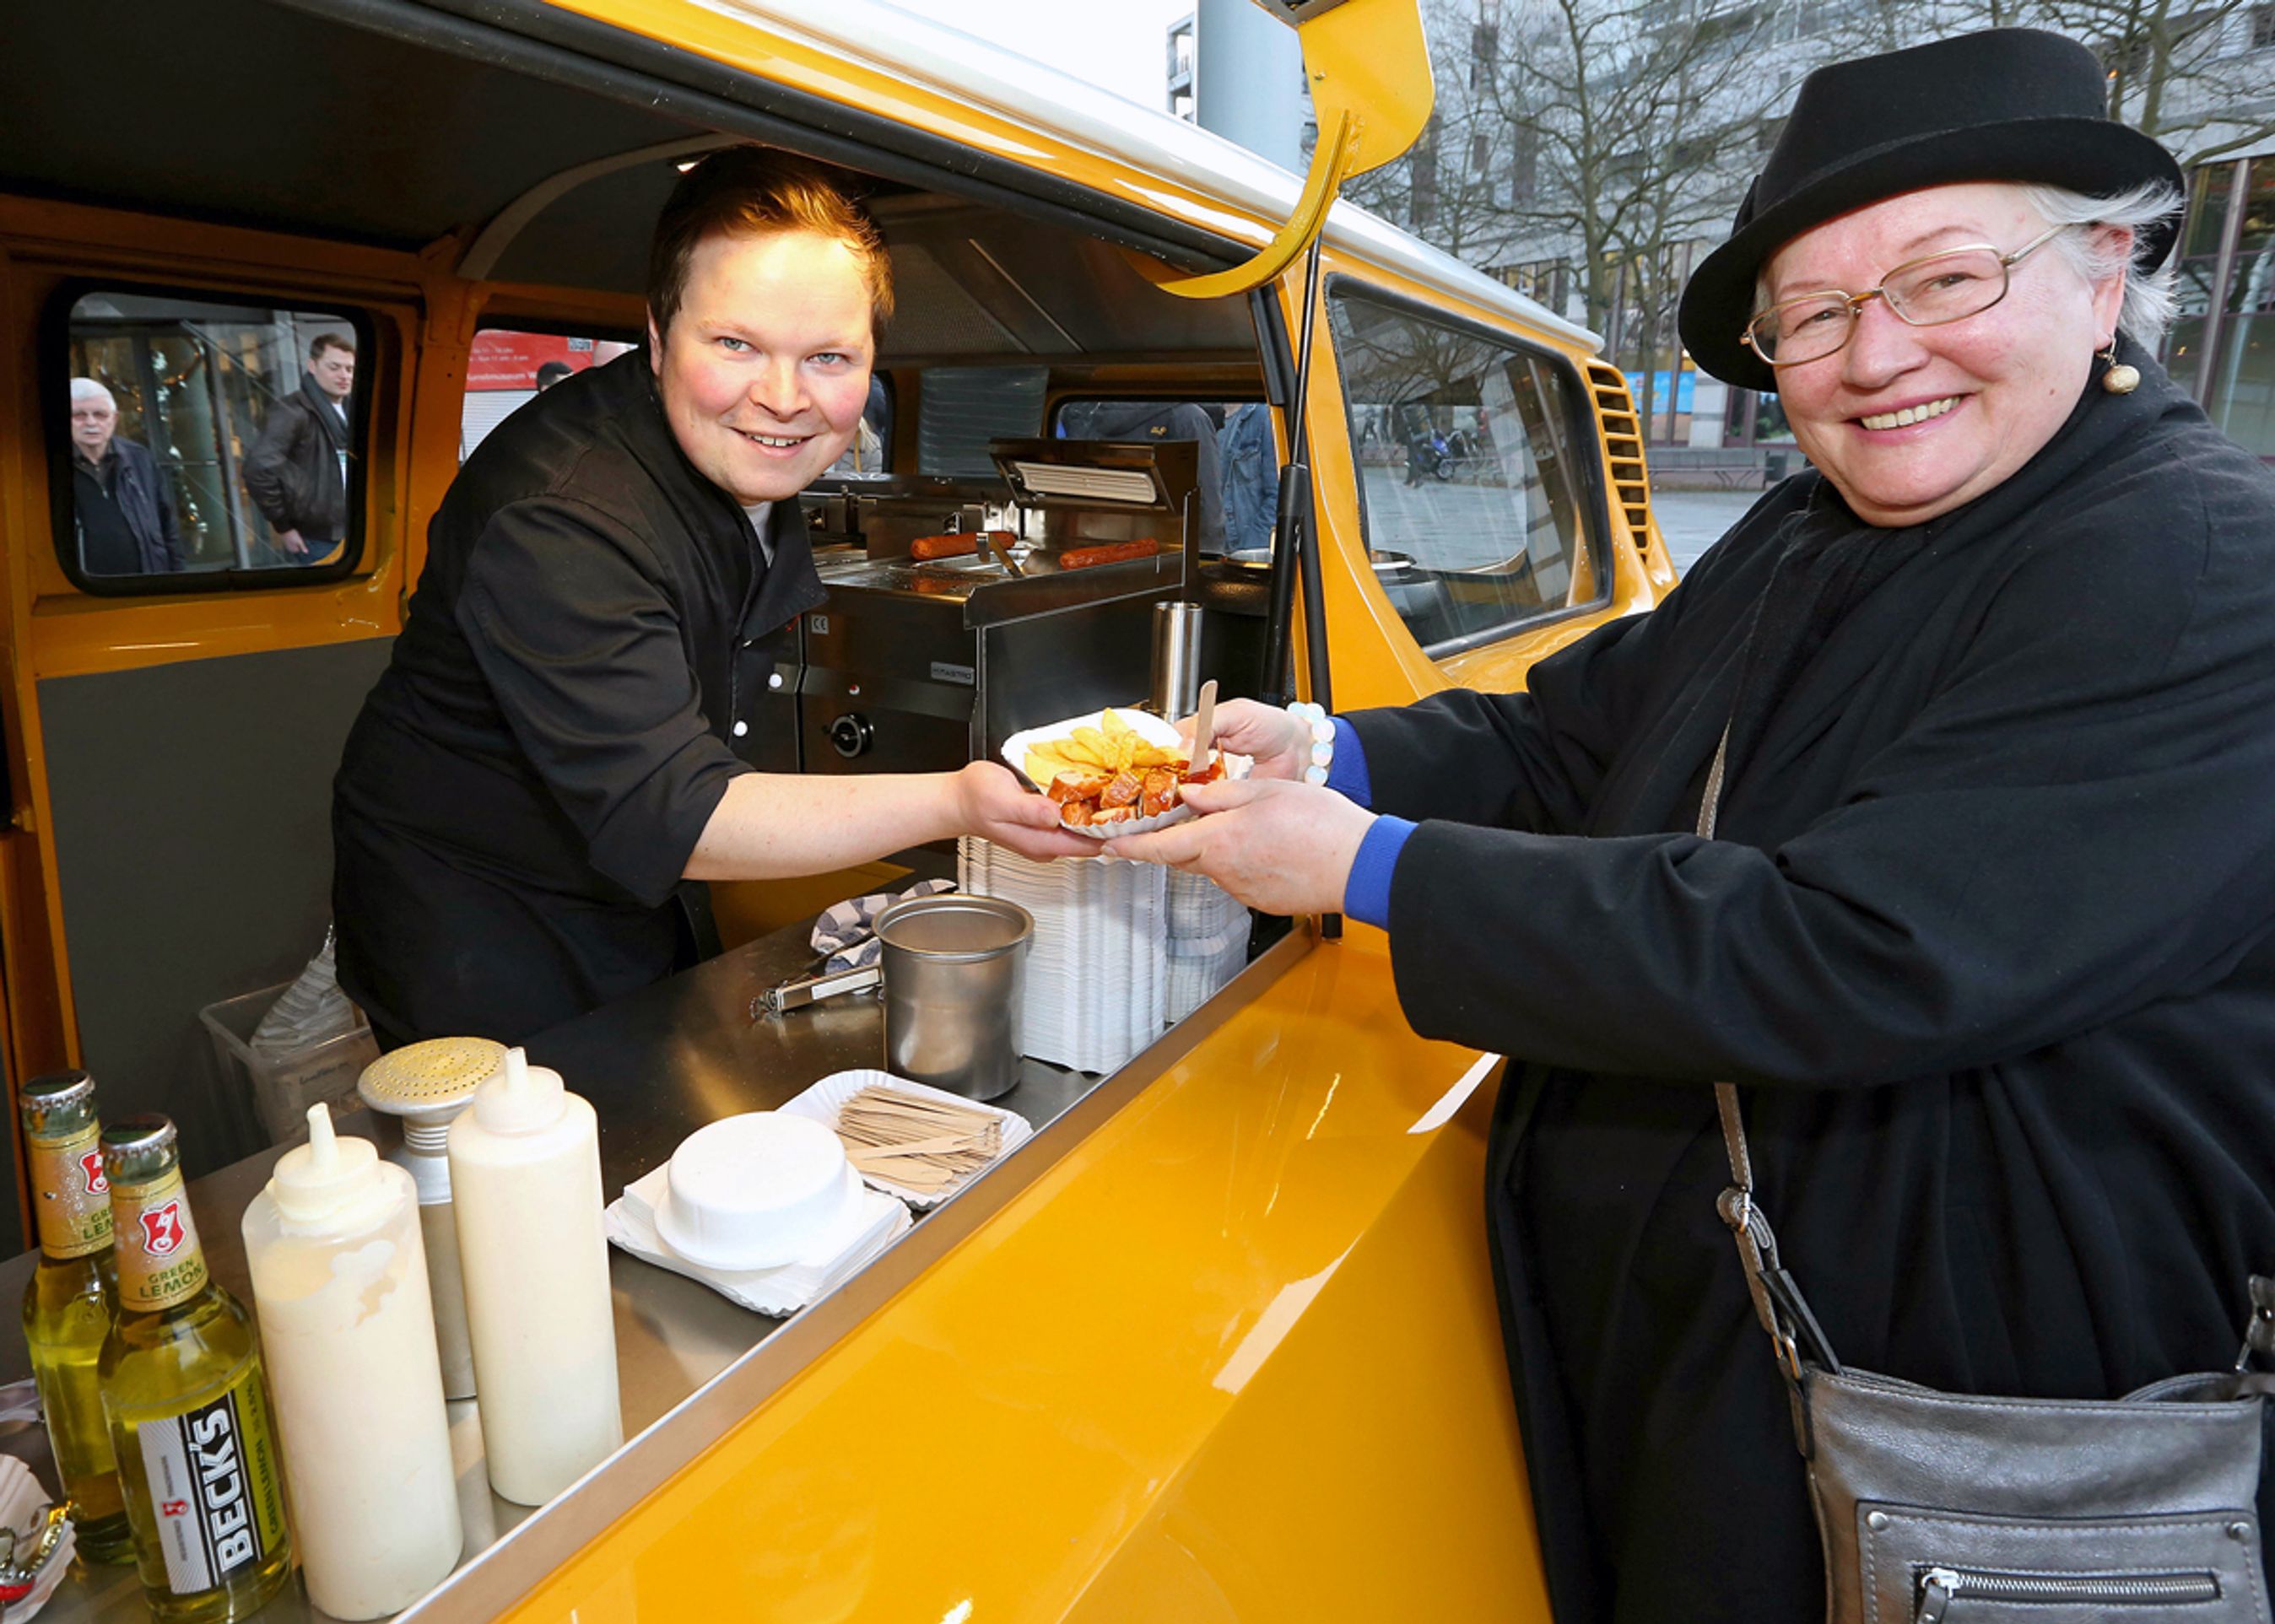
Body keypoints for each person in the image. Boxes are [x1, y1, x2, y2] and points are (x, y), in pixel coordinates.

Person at [1106, 30, 2275, 1621]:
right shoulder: (1811, 527)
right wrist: (1324, 748)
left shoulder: (2190, 567)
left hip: (1961, 1379)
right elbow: (1574, 736)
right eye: (1815, 313)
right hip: (1732, 1337)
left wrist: (1359, 866)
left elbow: (1859, 949)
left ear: (2102, 268)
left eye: (1942, 281)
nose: (1872, 359)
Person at [332, 148, 1085, 1049]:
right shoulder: (562, 517)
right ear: (656, 339)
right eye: (735, 344)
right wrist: (959, 801)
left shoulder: (739, 459)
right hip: (479, 915)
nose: (781, 398)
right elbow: (675, 813)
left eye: (828, 357)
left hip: (623, 879)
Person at [1057, 398, 1227, 553]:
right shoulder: (1188, 418)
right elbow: (1208, 506)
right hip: (1168, 551)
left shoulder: (1075, 412)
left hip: (1093, 546)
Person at [243, 331, 354, 564]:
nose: (344, 376)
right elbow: (258, 469)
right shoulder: (292, 411)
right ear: (312, 366)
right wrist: (283, 526)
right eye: (334, 367)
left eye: (349, 369)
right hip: (316, 537)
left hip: (355, 531)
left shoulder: (352, 409)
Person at [67, 378, 186, 575]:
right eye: (79, 415)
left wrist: (177, 582)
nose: (91, 423)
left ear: (113, 419)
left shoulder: (140, 459)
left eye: (100, 415)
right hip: (83, 594)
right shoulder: (46, 466)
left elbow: (168, 529)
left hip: (143, 587)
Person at [1218, 402, 1277, 555]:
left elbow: (1278, 496)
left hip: (1249, 552)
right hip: (1210, 550)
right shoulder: (1201, 417)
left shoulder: (1263, 418)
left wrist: (1248, 551)